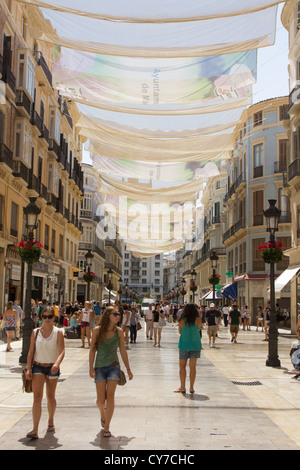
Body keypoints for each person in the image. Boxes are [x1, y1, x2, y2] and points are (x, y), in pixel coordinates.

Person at [89, 306, 133, 438]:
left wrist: (128, 369)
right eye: (115, 314)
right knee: (100, 401)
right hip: (100, 366)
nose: (118, 316)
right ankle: (103, 415)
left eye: (118, 314)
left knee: (111, 397)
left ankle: (107, 426)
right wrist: (91, 367)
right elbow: (92, 349)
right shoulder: (97, 331)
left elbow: (123, 351)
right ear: (108, 315)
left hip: (114, 366)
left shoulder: (119, 331)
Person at [25, 306, 65, 440]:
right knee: (37, 397)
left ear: (54, 317)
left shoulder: (58, 332)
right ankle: (35, 429)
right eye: (44, 317)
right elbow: (31, 351)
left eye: (49, 317)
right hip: (38, 366)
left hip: (52, 367)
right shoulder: (35, 332)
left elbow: (62, 351)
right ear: (40, 318)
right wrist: (29, 368)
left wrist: (57, 364)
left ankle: (51, 420)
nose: (47, 319)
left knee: (50, 396)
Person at [174, 303, 202, 394]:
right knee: (192, 367)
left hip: (184, 344)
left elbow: (179, 331)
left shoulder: (182, 320)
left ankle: (182, 387)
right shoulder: (198, 318)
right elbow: (199, 328)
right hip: (195, 344)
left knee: (182, 367)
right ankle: (191, 387)